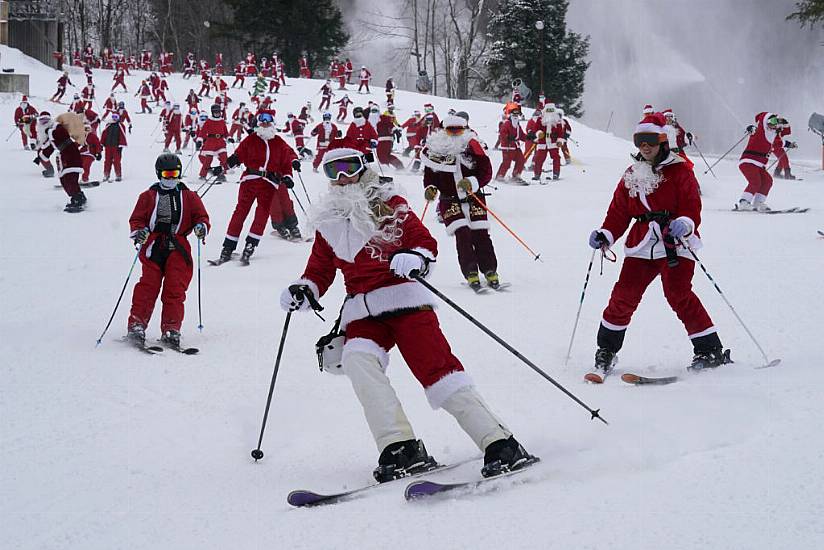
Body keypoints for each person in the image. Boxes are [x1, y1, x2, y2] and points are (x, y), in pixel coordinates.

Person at [280, 138, 537, 480]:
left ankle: (499, 441)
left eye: (350, 168)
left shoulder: (388, 202)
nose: (343, 178)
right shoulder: (329, 221)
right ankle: (400, 447)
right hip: (363, 311)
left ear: (364, 167)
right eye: (333, 170)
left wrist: (414, 256)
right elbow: (320, 269)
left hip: (404, 300)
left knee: (438, 372)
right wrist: (305, 287)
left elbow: (424, 242)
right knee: (357, 359)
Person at [586, 113, 731, 380]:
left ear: (663, 141)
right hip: (641, 245)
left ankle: (710, 350)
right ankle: (606, 350)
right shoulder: (632, 174)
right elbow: (618, 212)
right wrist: (606, 234)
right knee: (623, 296)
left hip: (674, 243)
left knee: (678, 293)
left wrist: (685, 223)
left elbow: (691, 206)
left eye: (650, 140)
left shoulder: (680, 171)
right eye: (640, 140)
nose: (645, 146)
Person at [126, 153, 210, 349]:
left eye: (175, 174)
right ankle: (137, 324)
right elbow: (136, 219)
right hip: (154, 246)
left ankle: (171, 328)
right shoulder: (148, 196)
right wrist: (140, 232)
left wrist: (201, 227)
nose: (171, 178)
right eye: (167, 174)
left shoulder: (189, 196)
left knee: (175, 288)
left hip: (178, 248)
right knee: (148, 286)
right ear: (159, 174)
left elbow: (201, 216)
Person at [420, 115, 500, 290]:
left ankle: (490, 270)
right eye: (451, 130)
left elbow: (486, 172)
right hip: (449, 200)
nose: (455, 134)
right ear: (443, 131)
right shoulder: (435, 150)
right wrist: (430, 188)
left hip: (474, 197)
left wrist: (472, 182)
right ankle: (470, 271)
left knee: (480, 234)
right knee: (462, 233)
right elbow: (430, 176)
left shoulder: (473, 146)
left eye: (459, 130)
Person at [211, 110, 299, 263]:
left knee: (262, 214)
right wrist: (223, 166)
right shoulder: (251, 139)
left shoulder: (279, 142)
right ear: (258, 123)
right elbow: (237, 157)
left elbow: (286, 163)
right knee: (240, 212)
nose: (265, 122)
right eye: (262, 120)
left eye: (268, 120)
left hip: (269, 184)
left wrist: (288, 177)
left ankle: (251, 245)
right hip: (250, 180)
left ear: (272, 122)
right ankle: (228, 247)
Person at [36, 111, 87, 211]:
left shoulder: (56, 127)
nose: (44, 123)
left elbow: (61, 135)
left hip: (71, 154)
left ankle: (77, 200)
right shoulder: (50, 131)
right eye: (41, 121)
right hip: (65, 155)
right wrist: (40, 157)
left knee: (70, 178)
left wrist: (50, 132)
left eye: (46, 120)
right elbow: (49, 147)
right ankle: (78, 197)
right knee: (65, 179)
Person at [737, 112, 782, 212]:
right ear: (765, 122)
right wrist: (751, 128)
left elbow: (778, 143)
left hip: (758, 164)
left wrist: (790, 144)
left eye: (776, 122)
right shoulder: (760, 131)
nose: (773, 125)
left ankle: (758, 202)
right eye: (771, 122)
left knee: (767, 181)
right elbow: (754, 130)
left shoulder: (772, 135)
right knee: (755, 182)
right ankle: (744, 202)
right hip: (748, 162)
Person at [196, 104, 229, 182]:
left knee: (224, 157)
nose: (217, 114)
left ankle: (221, 174)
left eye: (218, 112)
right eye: (216, 112)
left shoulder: (222, 121)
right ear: (212, 112)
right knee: (208, 159)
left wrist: (229, 138)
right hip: (211, 142)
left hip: (220, 142)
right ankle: (202, 176)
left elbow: (225, 132)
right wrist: (199, 140)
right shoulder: (209, 121)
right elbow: (203, 131)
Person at [495, 103, 527, 183]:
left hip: (516, 146)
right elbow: (502, 133)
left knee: (521, 160)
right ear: (511, 114)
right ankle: (500, 176)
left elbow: (521, 135)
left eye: (517, 114)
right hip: (508, 147)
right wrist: (508, 137)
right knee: (506, 163)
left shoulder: (517, 124)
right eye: (514, 114)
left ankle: (516, 175)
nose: (516, 116)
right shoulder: (507, 123)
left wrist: (529, 137)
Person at [100, 113, 128, 182]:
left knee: (116, 161)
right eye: (113, 117)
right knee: (107, 161)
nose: (114, 118)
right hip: (108, 146)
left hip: (116, 146)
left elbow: (122, 135)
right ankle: (106, 174)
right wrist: (101, 143)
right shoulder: (108, 125)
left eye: (116, 117)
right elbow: (104, 134)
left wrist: (121, 145)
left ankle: (118, 175)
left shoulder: (121, 125)